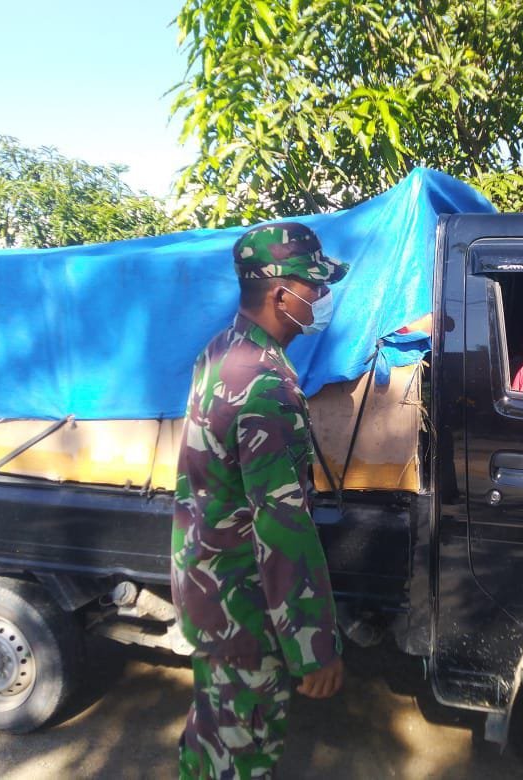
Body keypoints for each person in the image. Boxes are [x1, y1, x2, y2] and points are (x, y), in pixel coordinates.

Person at [171, 221, 348, 778]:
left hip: (210, 589)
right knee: (241, 756)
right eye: (314, 285)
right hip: (243, 608)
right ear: (280, 294)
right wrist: (313, 646)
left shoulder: (223, 351)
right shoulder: (265, 384)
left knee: (212, 738)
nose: (322, 296)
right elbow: (280, 524)